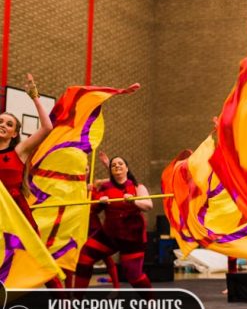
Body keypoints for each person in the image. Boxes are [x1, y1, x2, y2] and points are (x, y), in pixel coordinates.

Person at [0, 74, 63, 289]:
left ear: (15, 132)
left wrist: (35, 97)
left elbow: (47, 128)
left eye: (8, 124)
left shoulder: (20, 150)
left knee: (40, 262)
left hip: (18, 215)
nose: (3, 125)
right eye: (0, 121)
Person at [74, 153, 153, 288]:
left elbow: (148, 205)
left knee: (133, 276)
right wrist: (100, 203)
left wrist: (134, 202)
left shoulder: (137, 187)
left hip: (132, 238)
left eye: (120, 164)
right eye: (113, 165)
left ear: (127, 168)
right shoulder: (105, 188)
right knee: (84, 257)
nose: (117, 166)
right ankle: (76, 299)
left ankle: (151, 302)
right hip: (109, 235)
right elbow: (94, 209)